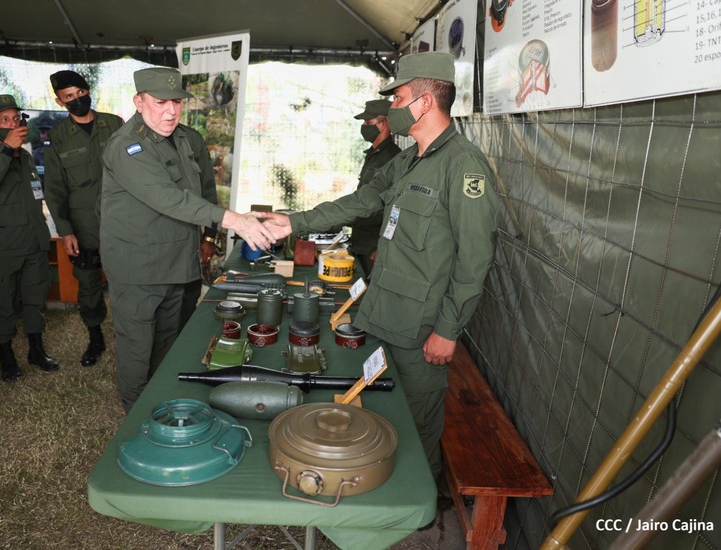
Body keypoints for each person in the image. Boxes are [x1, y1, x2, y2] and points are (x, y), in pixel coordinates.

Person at [260, 52, 499, 481]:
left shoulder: (464, 166)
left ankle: (420, 506)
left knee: (419, 427)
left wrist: (448, 330)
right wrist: (294, 222)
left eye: (399, 98)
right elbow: (361, 201)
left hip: (421, 326)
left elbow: (475, 259)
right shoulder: (408, 160)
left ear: (425, 102)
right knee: (386, 419)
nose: (392, 108)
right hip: (385, 313)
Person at [101, 67, 277, 412]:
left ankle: (162, 403)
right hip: (139, 268)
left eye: (177, 102)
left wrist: (210, 235)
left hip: (177, 262)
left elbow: (202, 192)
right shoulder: (127, 146)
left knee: (169, 343)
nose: (171, 111)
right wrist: (234, 220)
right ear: (139, 102)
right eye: (160, 102)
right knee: (137, 348)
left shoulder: (182, 138)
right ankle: (137, 417)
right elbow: (169, 198)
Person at [0, 94, 60, 382]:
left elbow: (36, 196)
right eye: (4, 119)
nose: (12, 124)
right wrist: (8, 148)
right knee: (3, 302)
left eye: (15, 118)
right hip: (5, 246)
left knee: (35, 299)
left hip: (34, 241)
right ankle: (6, 356)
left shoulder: (28, 158)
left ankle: (36, 350)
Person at [43, 70, 123, 366]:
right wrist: (65, 231)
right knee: (88, 283)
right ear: (59, 101)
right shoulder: (58, 136)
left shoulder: (114, 125)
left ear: (88, 91)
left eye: (80, 93)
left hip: (120, 219)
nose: (77, 99)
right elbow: (54, 189)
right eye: (69, 96)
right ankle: (95, 336)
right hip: (83, 224)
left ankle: (130, 333)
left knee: (129, 280)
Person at [350, 99, 401, 279]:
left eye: (368, 122)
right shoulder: (373, 154)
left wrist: (382, 245)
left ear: (384, 123)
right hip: (361, 241)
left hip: (373, 246)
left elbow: (396, 208)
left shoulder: (392, 158)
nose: (364, 127)